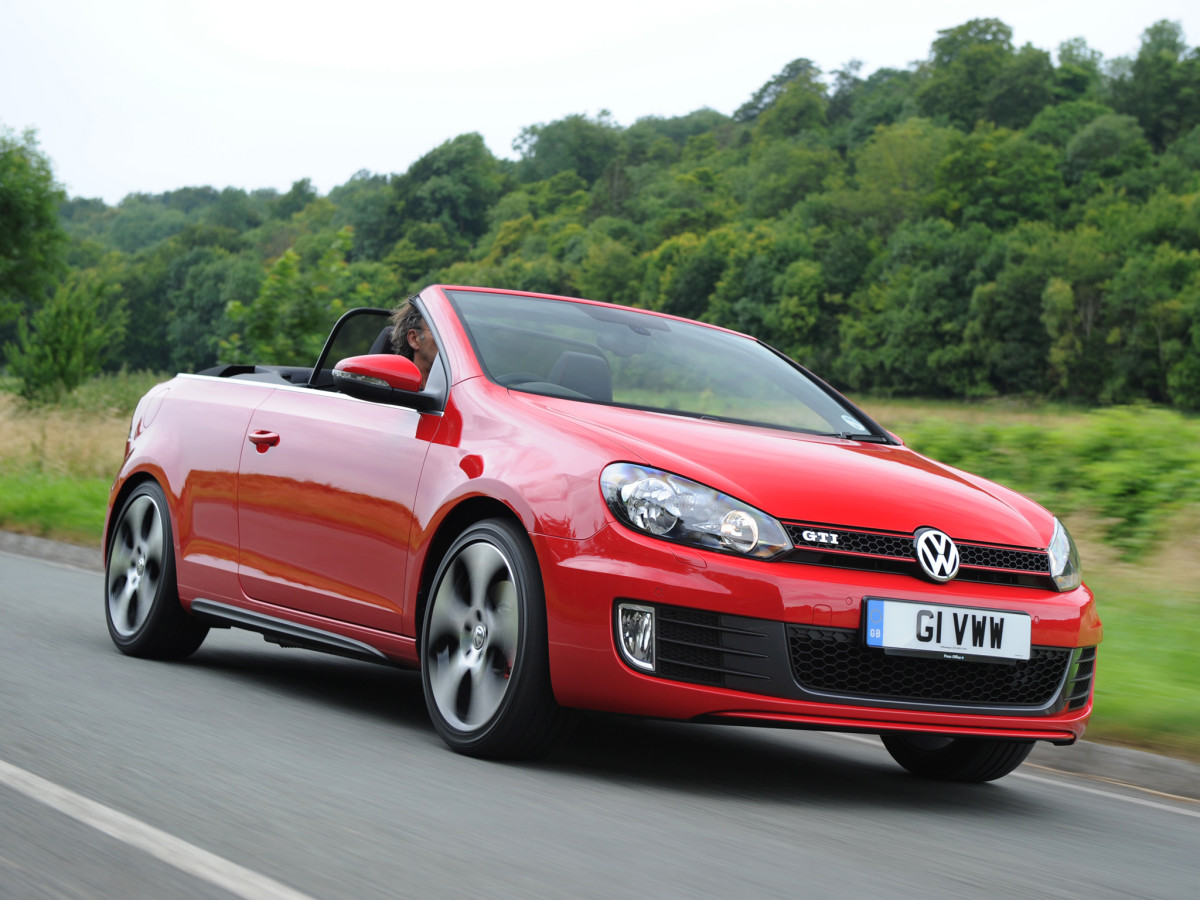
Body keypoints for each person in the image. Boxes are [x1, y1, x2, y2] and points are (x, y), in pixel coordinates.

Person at [389, 299, 439, 389]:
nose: (450, 339)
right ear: (414, 339)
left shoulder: (464, 388)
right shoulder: (396, 392)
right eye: (438, 331)